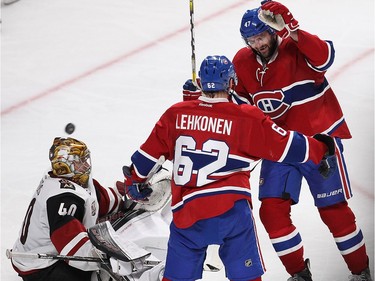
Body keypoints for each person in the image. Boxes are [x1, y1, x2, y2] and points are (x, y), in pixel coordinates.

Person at [122, 55, 337, 281]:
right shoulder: (246, 117)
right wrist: (322, 148)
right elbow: (285, 145)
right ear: (232, 83)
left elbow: (146, 157)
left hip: (188, 215)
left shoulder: (175, 113)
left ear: (201, 84)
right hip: (231, 212)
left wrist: (133, 182)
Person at [231, 1, 373, 280]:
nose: (257, 44)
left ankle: (361, 271)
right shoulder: (242, 62)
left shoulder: (294, 46)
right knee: (271, 213)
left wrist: (293, 29)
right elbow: (240, 109)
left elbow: (325, 58)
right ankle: (299, 274)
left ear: (272, 32)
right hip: (280, 147)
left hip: (318, 143)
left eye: (261, 36)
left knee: (334, 211)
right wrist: (206, 98)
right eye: (252, 40)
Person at [10, 137, 126, 281]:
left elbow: (98, 201)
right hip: (41, 266)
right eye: (79, 162)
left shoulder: (70, 181)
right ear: (64, 166)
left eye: (85, 160)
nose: (85, 165)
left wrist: (127, 197)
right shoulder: (63, 199)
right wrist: (110, 256)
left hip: (49, 253)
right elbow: (75, 249)